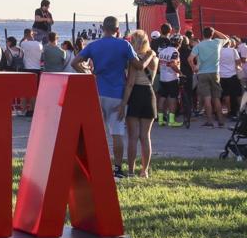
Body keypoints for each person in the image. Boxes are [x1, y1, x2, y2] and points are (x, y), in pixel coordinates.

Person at [74, 16, 143, 179]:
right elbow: (138, 65)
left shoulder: (94, 45)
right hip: (117, 95)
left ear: (102, 28)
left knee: (95, 132)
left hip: (98, 92)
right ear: (117, 30)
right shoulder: (124, 45)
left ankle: (93, 166)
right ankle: (118, 169)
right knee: (117, 133)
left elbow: (75, 62)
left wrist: (89, 75)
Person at [119, 30, 158, 178]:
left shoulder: (134, 60)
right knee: (145, 136)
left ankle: (130, 171)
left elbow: (130, 84)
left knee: (133, 137)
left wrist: (124, 103)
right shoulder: (154, 58)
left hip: (135, 94)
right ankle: (145, 171)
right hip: (149, 94)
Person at [190, 26, 229, 127]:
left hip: (202, 73)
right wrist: (215, 31)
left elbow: (190, 58)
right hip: (215, 72)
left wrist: (194, 67)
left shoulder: (199, 45)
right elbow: (226, 38)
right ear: (212, 34)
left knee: (207, 98)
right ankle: (221, 121)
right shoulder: (217, 42)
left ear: (203, 34)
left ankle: (210, 121)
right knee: (216, 98)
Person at [156, 35, 183, 127]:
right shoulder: (175, 52)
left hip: (162, 78)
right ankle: (171, 121)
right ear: (179, 43)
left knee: (162, 98)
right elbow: (172, 64)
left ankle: (160, 120)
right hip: (172, 78)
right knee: (172, 99)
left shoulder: (162, 51)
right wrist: (181, 73)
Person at [19, 29, 43, 115]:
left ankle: (23, 110)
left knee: (24, 91)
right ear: (32, 34)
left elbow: (20, 44)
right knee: (34, 91)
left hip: (26, 69)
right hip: (37, 69)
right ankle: (33, 110)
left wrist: (24, 37)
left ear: (25, 34)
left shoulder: (24, 43)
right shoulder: (39, 44)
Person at [218, 36, 242, 119]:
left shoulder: (218, 51)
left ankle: (228, 111)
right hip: (232, 74)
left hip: (221, 75)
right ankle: (235, 111)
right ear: (229, 43)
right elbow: (239, 63)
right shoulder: (233, 50)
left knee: (226, 94)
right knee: (234, 94)